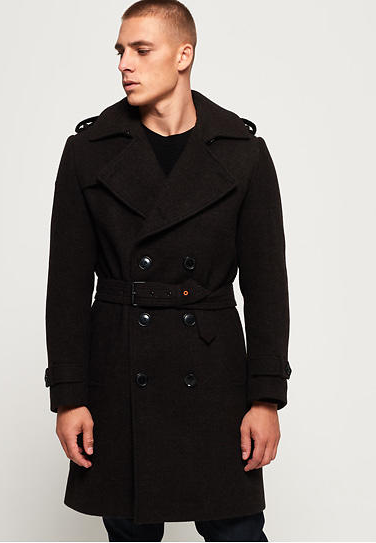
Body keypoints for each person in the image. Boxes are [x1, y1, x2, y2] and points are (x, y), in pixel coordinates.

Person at [44, 0, 292, 541]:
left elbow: (268, 288)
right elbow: (65, 288)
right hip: (119, 372)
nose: (124, 64)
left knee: (238, 532)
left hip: (215, 378)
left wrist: (266, 398)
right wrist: (69, 396)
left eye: (141, 50)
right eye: (120, 51)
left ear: (184, 55)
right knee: (131, 534)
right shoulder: (88, 151)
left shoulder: (243, 152)